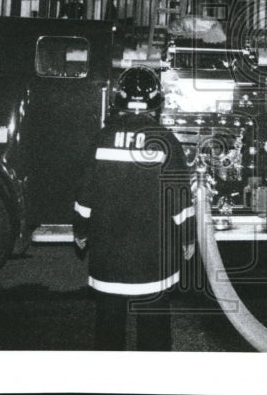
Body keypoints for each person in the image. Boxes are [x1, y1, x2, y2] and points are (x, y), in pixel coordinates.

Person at [73, 67, 195, 351]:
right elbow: (180, 200)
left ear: (119, 99)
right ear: (157, 102)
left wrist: (81, 231)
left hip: (109, 255)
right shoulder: (166, 141)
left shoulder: (102, 139)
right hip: (153, 257)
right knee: (154, 338)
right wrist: (188, 237)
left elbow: (85, 195)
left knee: (108, 333)